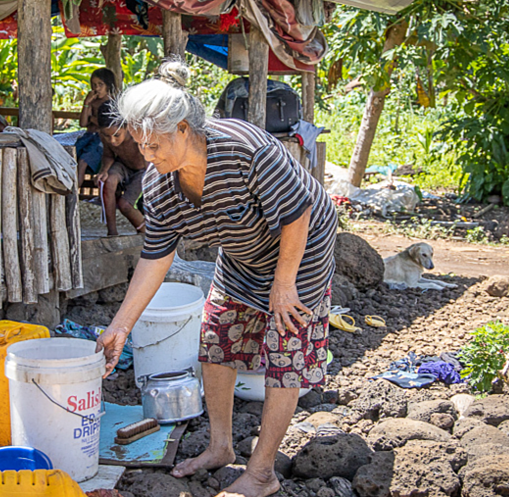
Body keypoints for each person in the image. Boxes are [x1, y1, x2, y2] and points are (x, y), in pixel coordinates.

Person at [96, 61, 337, 497]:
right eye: (140, 146)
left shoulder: (246, 149)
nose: (147, 156)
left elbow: (297, 214)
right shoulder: (161, 184)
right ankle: (221, 446)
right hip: (242, 255)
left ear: (185, 129)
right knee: (216, 341)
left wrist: (284, 285)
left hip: (300, 251)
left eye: (155, 145)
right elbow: (156, 255)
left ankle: (262, 472)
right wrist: (120, 327)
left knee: (285, 349)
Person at [96, 100, 146, 235]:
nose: (112, 140)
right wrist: (104, 171)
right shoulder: (104, 135)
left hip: (143, 170)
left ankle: (145, 232)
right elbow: (108, 155)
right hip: (123, 164)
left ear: (127, 127)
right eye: (107, 136)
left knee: (125, 205)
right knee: (108, 181)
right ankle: (112, 233)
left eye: (117, 135)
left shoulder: (138, 136)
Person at [75, 68, 117, 182]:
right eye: (94, 85)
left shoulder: (112, 103)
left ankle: (75, 194)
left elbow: (105, 124)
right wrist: (86, 104)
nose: (96, 88)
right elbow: (83, 123)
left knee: (83, 162)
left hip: (101, 139)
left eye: (100, 84)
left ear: (108, 85)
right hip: (89, 135)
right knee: (71, 156)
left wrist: (92, 118)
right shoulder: (91, 101)